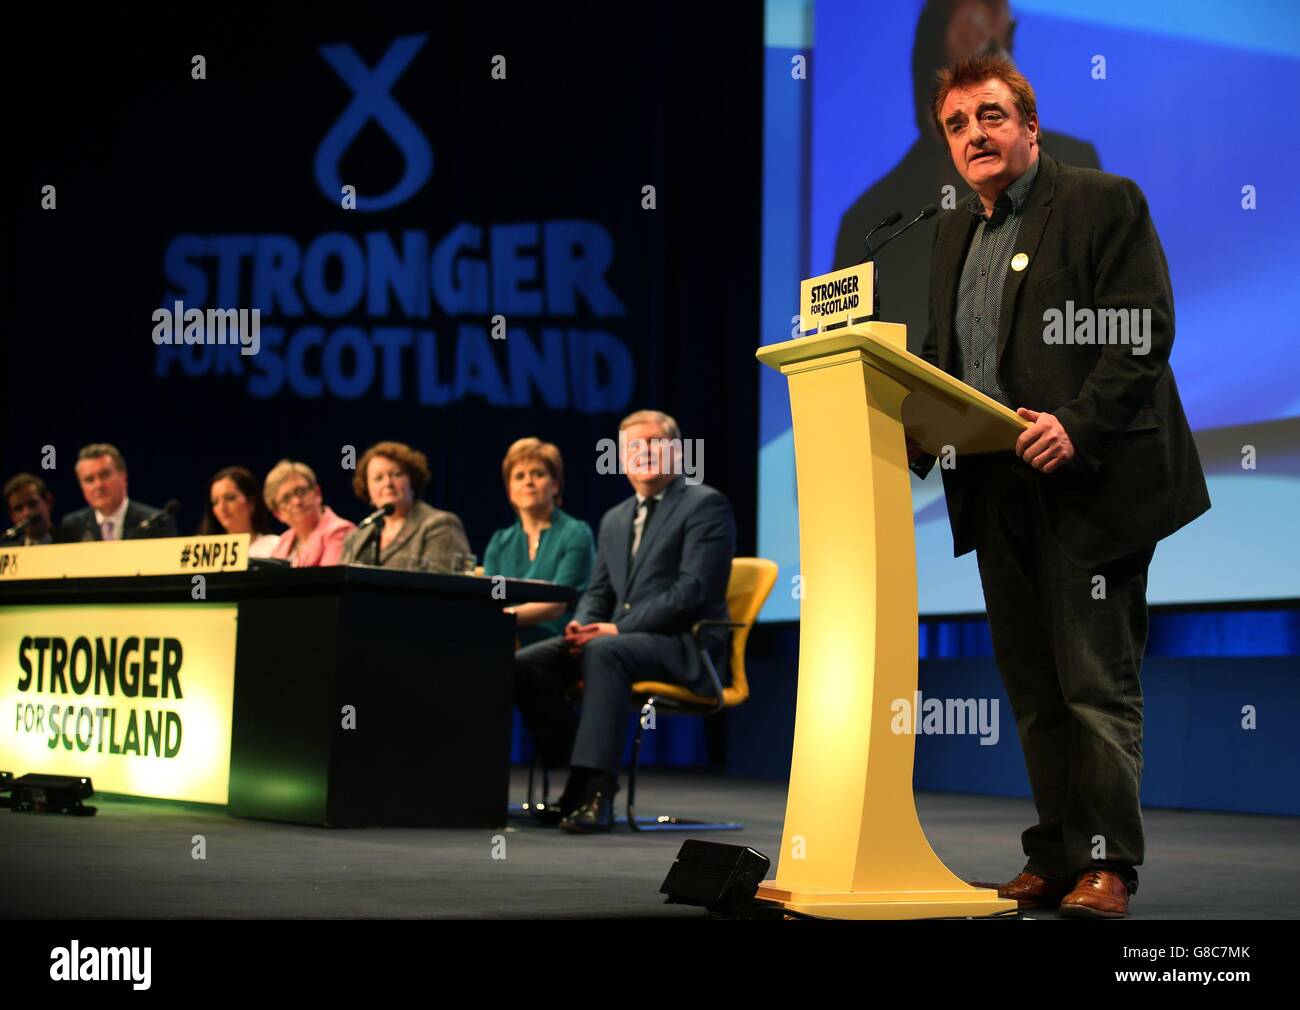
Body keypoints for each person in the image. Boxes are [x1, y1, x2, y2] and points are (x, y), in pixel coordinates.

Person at [908, 53, 1209, 917]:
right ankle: (1055, 851)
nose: (976, 135)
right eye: (958, 125)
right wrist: (910, 441)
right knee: (1036, 693)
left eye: (991, 116)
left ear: (1030, 127)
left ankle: (1108, 865)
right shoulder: (952, 233)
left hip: (1092, 485)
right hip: (996, 492)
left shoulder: (1101, 202)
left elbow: (1142, 331)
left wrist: (1075, 423)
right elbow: (949, 363)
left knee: (1093, 686)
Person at [513, 410, 735, 833]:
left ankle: (597, 790)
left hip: (683, 644)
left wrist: (615, 629)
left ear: (678, 450)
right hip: (619, 641)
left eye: (654, 442)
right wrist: (581, 625)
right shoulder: (615, 518)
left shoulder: (704, 504)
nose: (644, 452)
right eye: (634, 446)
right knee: (530, 664)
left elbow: (693, 591)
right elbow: (599, 592)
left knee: (604, 650)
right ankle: (576, 773)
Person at [833, 0, 1100, 345]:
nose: (1007, 66)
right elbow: (934, 355)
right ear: (938, 126)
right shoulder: (875, 225)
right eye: (985, 56)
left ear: (1031, 125)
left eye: (1008, 46)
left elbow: (1136, 328)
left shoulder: (1094, 186)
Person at [483, 438, 596, 646]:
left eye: (538, 474)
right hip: (505, 632)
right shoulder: (500, 541)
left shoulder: (576, 533)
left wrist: (503, 616)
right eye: (519, 476)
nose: (529, 482)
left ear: (555, 485)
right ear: (510, 492)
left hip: (559, 638)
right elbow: (494, 597)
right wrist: (500, 617)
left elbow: (556, 604)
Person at [338, 441, 469, 571]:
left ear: (412, 480)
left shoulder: (440, 525)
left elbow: (441, 585)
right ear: (367, 488)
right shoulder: (357, 536)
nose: (388, 483)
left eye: (397, 474)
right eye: (378, 478)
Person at [60, 443, 178, 541]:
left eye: (105, 475)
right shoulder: (72, 527)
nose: (98, 485)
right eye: (89, 480)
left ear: (123, 476)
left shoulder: (156, 523)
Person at [265, 460, 355, 567]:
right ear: (278, 514)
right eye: (286, 499)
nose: (297, 502)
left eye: (301, 491)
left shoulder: (340, 532)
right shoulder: (284, 542)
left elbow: (329, 581)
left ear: (317, 493)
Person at [198, 466, 280, 558]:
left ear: (251, 502)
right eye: (215, 502)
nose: (222, 508)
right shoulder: (202, 551)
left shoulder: (275, 547)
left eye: (230, 498)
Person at [2, 473, 70, 545]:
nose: (27, 513)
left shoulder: (74, 541)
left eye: (32, 504)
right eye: (18, 509)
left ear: (48, 501)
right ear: (11, 515)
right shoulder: (7, 551)